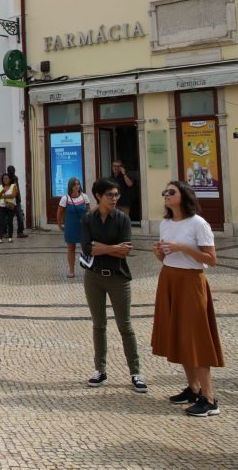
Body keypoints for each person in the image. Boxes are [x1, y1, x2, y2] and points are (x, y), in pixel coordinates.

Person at [152, 181, 224, 417]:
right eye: (165, 192)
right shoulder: (165, 224)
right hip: (170, 279)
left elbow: (211, 259)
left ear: (183, 196)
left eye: (171, 192)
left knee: (196, 337)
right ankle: (193, 389)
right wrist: (159, 255)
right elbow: (167, 258)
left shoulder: (198, 224)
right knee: (181, 335)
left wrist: (183, 247)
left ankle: (209, 397)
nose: (166, 195)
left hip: (191, 282)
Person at [79, 178, 145, 392]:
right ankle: (100, 370)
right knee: (99, 325)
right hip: (94, 278)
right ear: (98, 196)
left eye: (116, 195)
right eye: (110, 195)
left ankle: (135, 373)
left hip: (118, 277)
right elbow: (87, 249)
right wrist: (112, 247)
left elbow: (126, 250)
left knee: (125, 326)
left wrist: (102, 247)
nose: (115, 199)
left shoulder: (123, 219)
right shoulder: (88, 219)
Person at [57, 177, 90, 278]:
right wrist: (60, 225)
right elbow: (59, 213)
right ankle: (71, 270)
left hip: (83, 227)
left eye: (78, 184)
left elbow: (89, 212)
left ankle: (87, 270)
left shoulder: (84, 197)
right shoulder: (65, 198)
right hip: (70, 227)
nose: (77, 186)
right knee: (71, 248)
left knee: (86, 248)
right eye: (74, 184)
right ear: (70, 186)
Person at [0, 173, 17, 243]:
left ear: (10, 179)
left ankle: (10, 238)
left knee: (10, 222)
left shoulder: (13, 186)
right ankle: (0, 238)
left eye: (6, 178)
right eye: (4, 178)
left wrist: (3, 196)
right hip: (2, 206)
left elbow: (13, 195)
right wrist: (2, 191)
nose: (5, 180)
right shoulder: (0, 186)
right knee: (2, 222)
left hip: (10, 206)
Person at [6, 165, 28, 238]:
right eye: (12, 171)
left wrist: (19, 198)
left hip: (17, 200)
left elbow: (17, 188)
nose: (13, 172)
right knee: (9, 218)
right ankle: (6, 232)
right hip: (10, 200)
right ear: (9, 171)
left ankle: (20, 232)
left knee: (20, 216)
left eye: (14, 170)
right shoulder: (6, 179)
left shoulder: (15, 178)